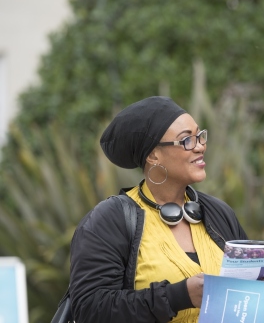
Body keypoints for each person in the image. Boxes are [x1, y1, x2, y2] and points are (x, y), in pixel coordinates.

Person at [69, 96, 248, 323]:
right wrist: (178, 296)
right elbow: (90, 308)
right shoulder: (110, 220)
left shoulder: (218, 213)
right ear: (154, 155)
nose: (201, 146)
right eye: (186, 141)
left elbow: (251, 285)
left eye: (200, 136)